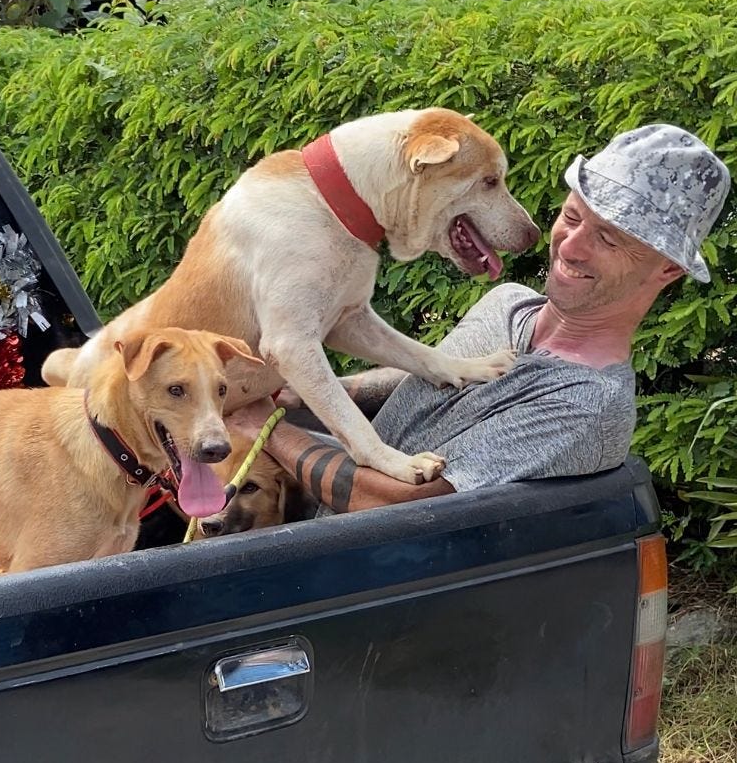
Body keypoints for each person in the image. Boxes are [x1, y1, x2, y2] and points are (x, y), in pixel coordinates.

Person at [226, 124, 731, 514]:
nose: (570, 247)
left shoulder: (587, 405)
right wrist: (296, 394)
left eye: (608, 238)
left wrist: (263, 422)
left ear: (667, 268)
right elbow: (431, 386)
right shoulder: (507, 303)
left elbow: (395, 503)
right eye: (573, 218)